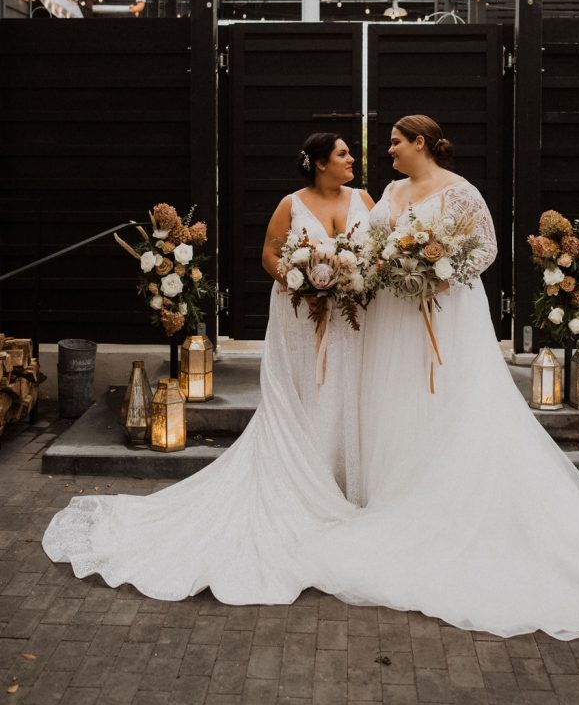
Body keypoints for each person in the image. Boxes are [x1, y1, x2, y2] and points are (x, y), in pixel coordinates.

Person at [305, 114, 579, 640]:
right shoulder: (392, 190)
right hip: (392, 320)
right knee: (394, 405)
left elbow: (485, 249)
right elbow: (373, 244)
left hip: (441, 316)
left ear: (420, 142)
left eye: (396, 143)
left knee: (447, 405)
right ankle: (394, 494)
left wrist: (439, 273)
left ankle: (440, 503)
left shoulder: (461, 191)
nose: (389, 151)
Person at [42, 133, 373, 604]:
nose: (351, 160)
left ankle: (338, 477)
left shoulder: (364, 199)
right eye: (342, 154)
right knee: (302, 393)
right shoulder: (291, 203)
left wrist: (347, 281)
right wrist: (304, 282)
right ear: (320, 163)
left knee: (341, 390)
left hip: (349, 320)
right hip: (299, 316)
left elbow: (373, 253)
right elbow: (269, 255)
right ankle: (303, 481)